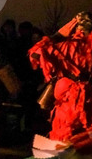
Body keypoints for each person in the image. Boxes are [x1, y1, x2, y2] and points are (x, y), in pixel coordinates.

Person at [28, 12, 92, 141]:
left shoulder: (65, 46)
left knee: (64, 135)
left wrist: (59, 35)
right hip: (87, 96)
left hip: (67, 96)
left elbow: (36, 53)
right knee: (84, 137)